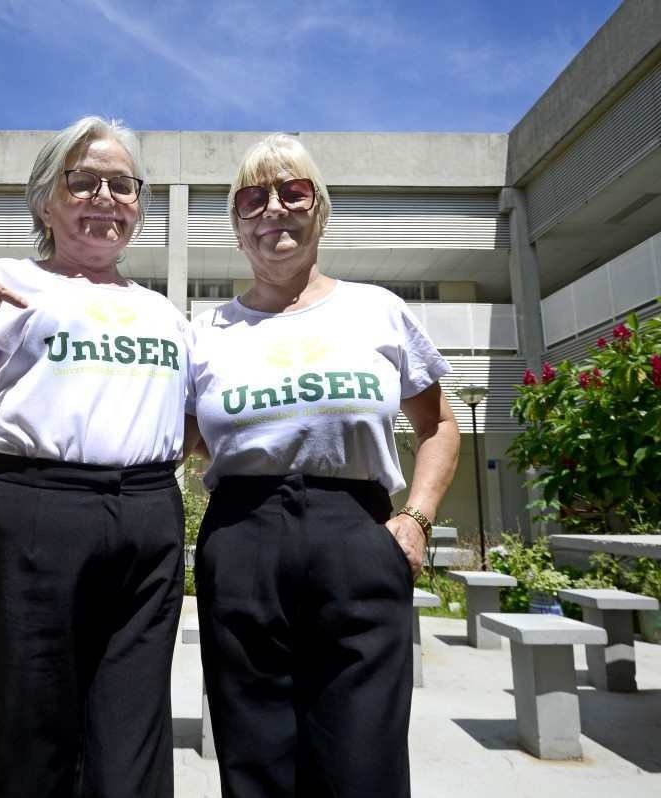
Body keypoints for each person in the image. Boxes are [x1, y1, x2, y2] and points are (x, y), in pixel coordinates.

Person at [0, 116, 190, 798]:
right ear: (45, 201)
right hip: (33, 512)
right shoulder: (4, 283)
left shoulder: (167, 315)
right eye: (81, 182)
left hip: (148, 517)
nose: (104, 198)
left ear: (139, 204)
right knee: (30, 733)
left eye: (121, 185)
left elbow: (200, 429)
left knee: (133, 738)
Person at [185, 134, 460, 797]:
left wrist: (416, 519)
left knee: (362, 764)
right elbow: (190, 437)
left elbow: (439, 425)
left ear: (321, 208)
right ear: (237, 224)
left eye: (292, 191)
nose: (273, 208)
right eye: (253, 197)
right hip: (242, 536)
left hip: (354, 534)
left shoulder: (377, 311)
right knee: (256, 761)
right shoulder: (204, 330)